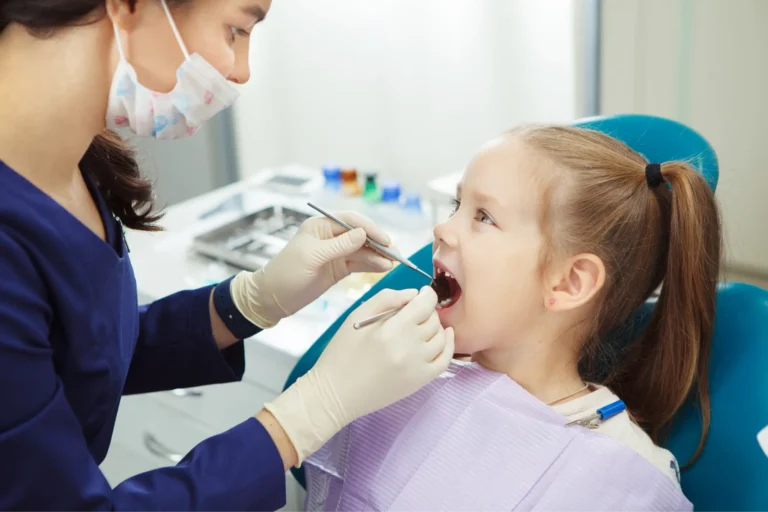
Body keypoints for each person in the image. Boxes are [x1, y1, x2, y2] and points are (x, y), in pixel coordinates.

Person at [0, 1, 454, 510]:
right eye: (236, 29)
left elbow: (81, 353)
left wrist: (251, 301)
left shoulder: (61, 160)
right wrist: (305, 415)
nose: (241, 70)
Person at [303, 125, 722, 509]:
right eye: (456, 205)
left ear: (569, 283)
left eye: (484, 216)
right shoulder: (397, 374)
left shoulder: (625, 480)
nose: (443, 230)